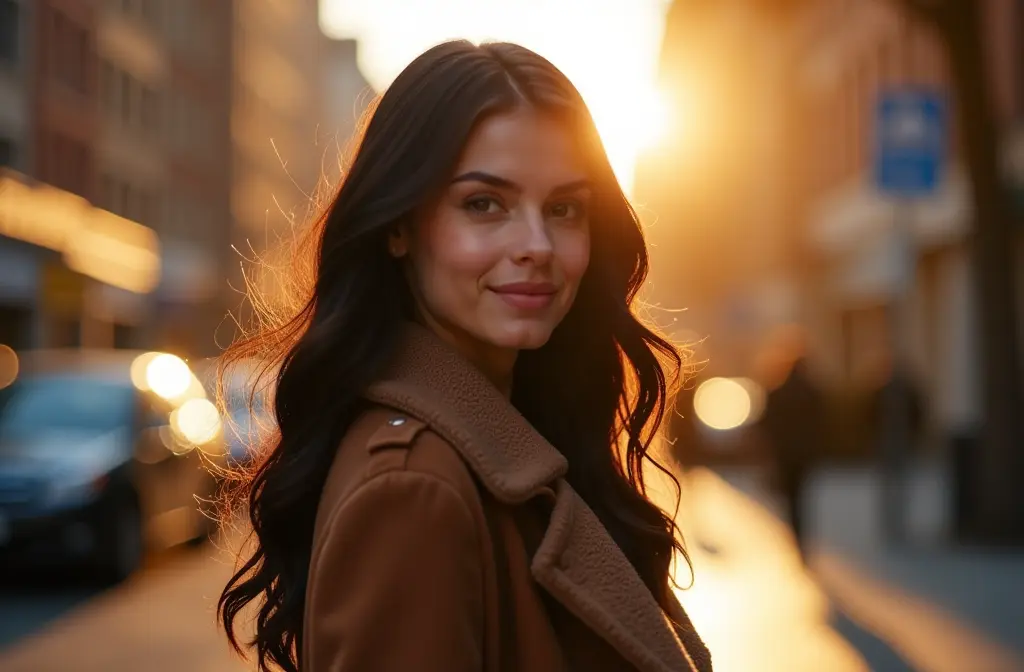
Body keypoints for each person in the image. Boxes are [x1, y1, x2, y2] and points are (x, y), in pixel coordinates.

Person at [217, 41, 712, 672]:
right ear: (398, 226)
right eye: (484, 204)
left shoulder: (514, 439)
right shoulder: (414, 489)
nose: (537, 244)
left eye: (564, 209)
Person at [759, 354, 826, 559]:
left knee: (790, 496)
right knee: (800, 495)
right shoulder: (811, 392)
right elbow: (820, 424)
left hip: (784, 453)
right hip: (804, 454)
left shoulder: (778, 392)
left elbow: (766, 423)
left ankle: (793, 532)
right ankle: (798, 533)